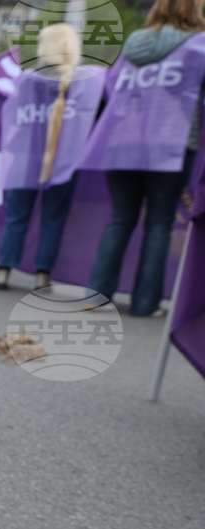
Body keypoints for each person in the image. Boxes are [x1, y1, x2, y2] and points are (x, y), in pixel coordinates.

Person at [80, 0, 205, 316]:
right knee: (159, 224)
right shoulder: (198, 47)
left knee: (120, 219)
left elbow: (109, 92)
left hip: (122, 142)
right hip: (171, 146)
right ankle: (146, 304)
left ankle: (96, 295)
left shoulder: (132, 46)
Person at [0, 24, 104, 291]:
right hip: (64, 161)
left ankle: (3, 271)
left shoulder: (28, 79)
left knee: (16, 217)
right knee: (53, 219)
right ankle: (42, 276)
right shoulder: (87, 81)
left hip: (26, 158)